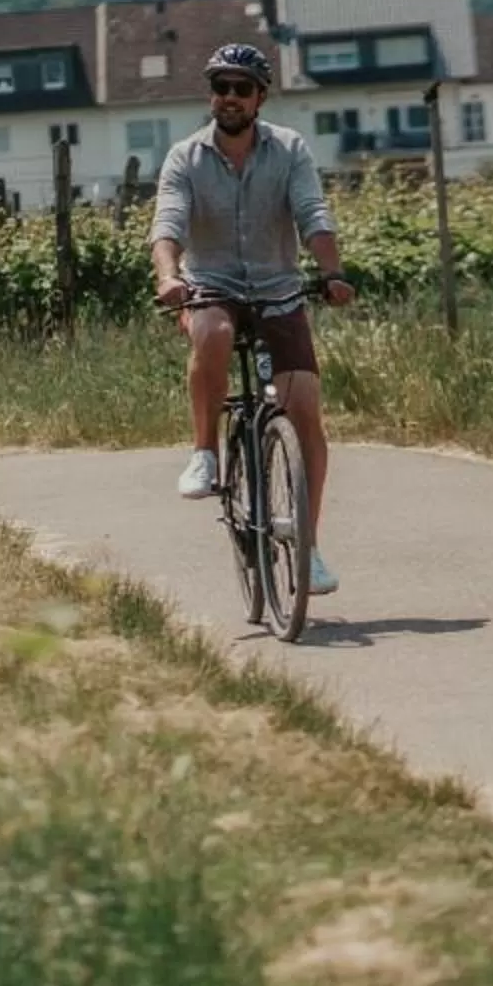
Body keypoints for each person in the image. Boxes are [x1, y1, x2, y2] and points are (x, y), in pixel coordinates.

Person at [151, 41, 355, 594]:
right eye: (221, 87)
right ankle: (204, 454)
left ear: (261, 97)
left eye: (242, 88)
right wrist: (169, 278)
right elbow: (167, 226)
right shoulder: (185, 157)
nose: (230, 98)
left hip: (277, 290)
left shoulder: (288, 150)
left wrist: (332, 272)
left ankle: (307, 548)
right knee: (213, 332)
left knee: (305, 408)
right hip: (211, 286)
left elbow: (313, 214)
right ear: (212, 96)